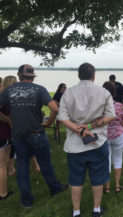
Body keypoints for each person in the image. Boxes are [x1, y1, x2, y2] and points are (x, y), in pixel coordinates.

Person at [0, 65, 66, 207]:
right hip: (37, 133)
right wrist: (48, 122)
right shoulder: (39, 89)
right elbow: (55, 108)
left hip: (17, 135)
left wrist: (8, 119)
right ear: (33, 76)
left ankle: (26, 200)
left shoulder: (8, 90)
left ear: (19, 75)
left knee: (22, 167)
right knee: (45, 163)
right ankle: (55, 188)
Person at [59, 63, 115, 217]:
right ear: (93, 75)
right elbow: (111, 116)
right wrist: (89, 127)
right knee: (97, 178)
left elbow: (62, 118)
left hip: (74, 146)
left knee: (76, 179)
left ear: (78, 75)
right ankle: (96, 209)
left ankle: (76, 211)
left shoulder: (68, 93)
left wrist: (80, 130)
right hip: (98, 143)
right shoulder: (104, 92)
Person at [102, 82, 123, 194]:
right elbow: (122, 121)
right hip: (118, 135)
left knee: (107, 160)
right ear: (114, 93)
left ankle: (107, 187)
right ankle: (116, 186)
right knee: (118, 159)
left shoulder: (100, 107)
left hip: (105, 136)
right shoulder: (119, 105)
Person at [0, 76, 17, 200]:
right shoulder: (7, 98)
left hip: (5, 133)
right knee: (2, 166)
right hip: (4, 134)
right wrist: (9, 119)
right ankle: (3, 193)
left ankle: (11, 169)